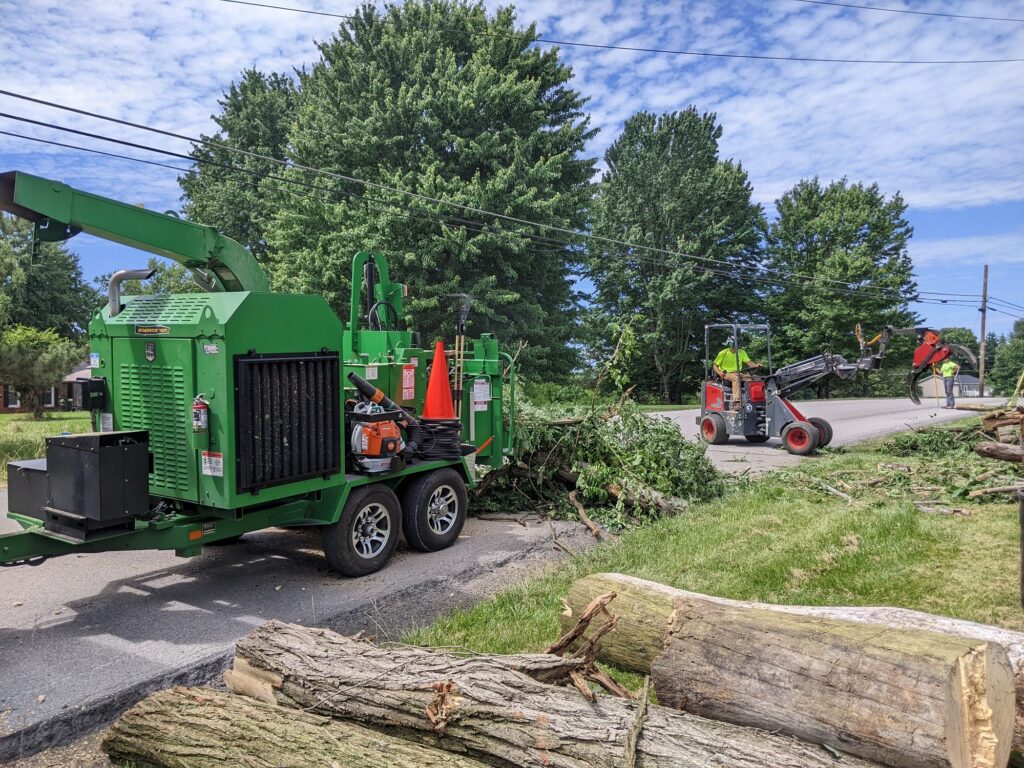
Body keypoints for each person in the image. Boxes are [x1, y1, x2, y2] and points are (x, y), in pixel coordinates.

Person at [712, 339, 762, 411]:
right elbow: (714, 365)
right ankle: (736, 402)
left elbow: (750, 363)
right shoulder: (723, 353)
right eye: (734, 345)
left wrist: (756, 365)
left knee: (755, 378)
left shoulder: (741, 352)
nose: (736, 348)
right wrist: (719, 373)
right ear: (731, 345)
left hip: (739, 373)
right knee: (736, 378)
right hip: (727, 374)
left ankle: (755, 399)